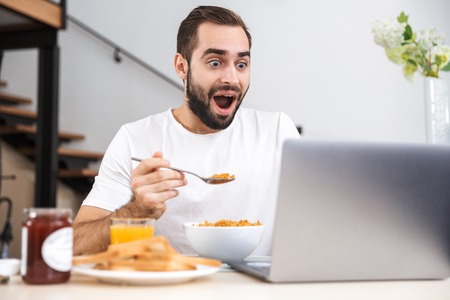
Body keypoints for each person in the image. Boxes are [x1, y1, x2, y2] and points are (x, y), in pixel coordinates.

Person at [73, 5, 300, 256]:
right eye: (215, 62)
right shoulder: (134, 139)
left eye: (241, 64)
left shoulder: (277, 131)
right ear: (182, 66)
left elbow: (317, 223)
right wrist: (135, 211)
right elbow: (75, 246)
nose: (232, 78)